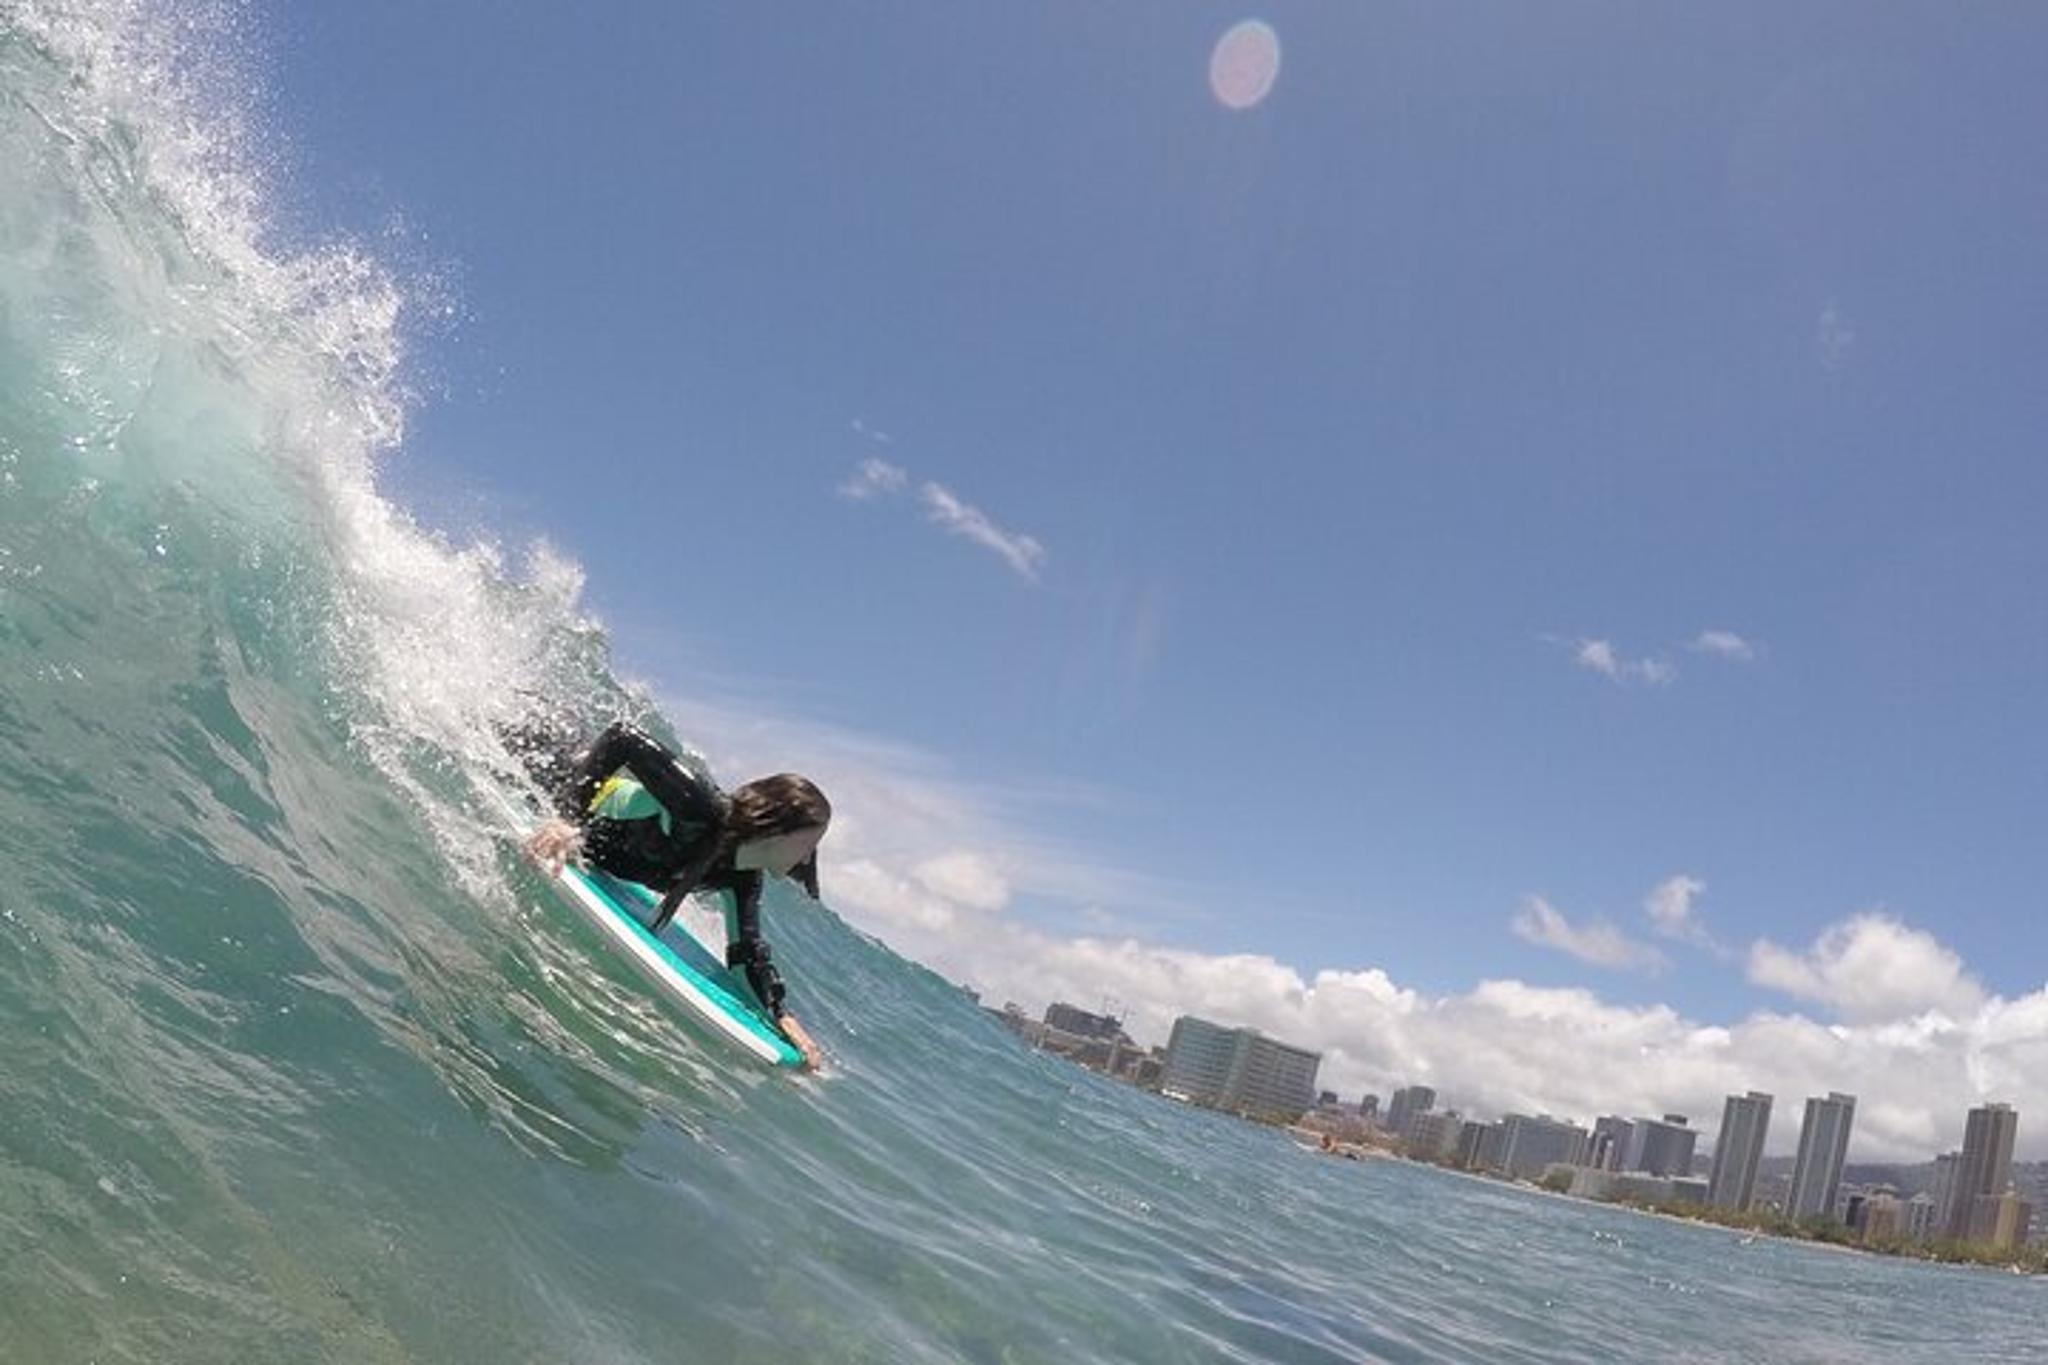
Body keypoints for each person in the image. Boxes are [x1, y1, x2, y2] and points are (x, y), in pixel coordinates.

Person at [519, 720, 829, 1069]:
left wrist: (779, 1014)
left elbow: (745, 954)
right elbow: (622, 738)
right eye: (809, 844)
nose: (808, 858)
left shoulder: (741, 878)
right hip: (547, 761)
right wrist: (567, 818)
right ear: (780, 832)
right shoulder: (700, 809)